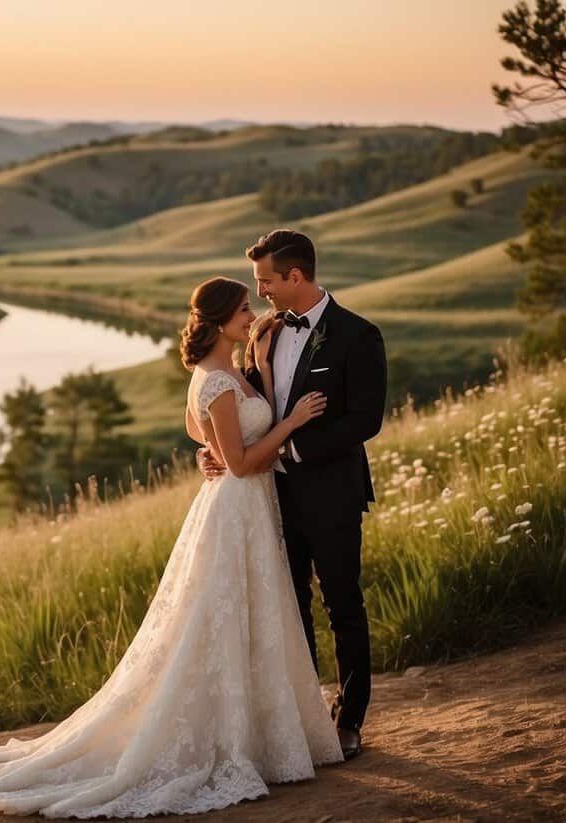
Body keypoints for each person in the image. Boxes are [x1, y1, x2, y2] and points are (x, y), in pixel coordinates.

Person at [0, 276, 343, 817]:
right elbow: (239, 463)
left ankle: (262, 736)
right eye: (241, 308)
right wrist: (292, 424)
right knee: (221, 622)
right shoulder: (214, 379)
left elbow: (197, 430)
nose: (250, 312)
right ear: (216, 320)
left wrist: (206, 446)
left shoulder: (224, 370)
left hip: (246, 510)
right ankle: (227, 742)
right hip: (236, 507)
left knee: (248, 619)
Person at [202, 229, 387, 761]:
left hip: (331, 492)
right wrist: (214, 447)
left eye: (266, 282)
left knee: (342, 602)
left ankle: (349, 719)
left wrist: (296, 453)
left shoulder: (357, 335)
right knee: (290, 608)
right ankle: (305, 719)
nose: (261, 293)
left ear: (295, 276)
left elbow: (364, 420)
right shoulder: (264, 332)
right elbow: (240, 400)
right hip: (269, 495)